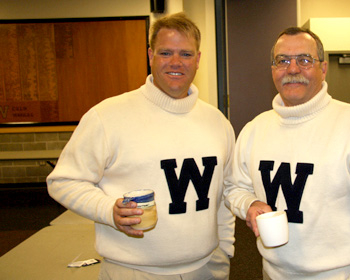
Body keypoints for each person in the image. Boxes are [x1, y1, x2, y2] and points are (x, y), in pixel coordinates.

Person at [47, 12, 235, 280]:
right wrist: (107, 210)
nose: (176, 62)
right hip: (133, 271)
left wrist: (225, 249)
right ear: (150, 56)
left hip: (207, 268)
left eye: (186, 54)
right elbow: (63, 181)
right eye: (165, 53)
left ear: (198, 59)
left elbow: (225, 192)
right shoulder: (108, 116)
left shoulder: (217, 121)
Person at [224, 27, 350, 280]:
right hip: (272, 273)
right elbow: (234, 187)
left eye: (304, 60)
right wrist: (249, 204)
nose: (292, 69)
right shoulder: (255, 130)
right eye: (283, 61)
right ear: (273, 70)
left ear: (323, 69)